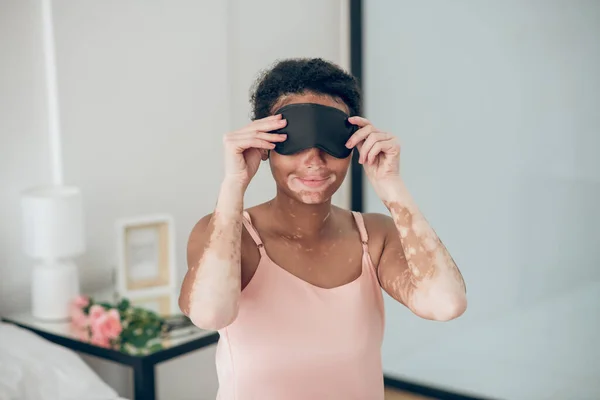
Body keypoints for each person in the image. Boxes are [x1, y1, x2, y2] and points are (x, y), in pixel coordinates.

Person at [179, 58, 467, 400]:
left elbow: (446, 303)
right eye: (293, 140)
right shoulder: (228, 235)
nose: (314, 160)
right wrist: (234, 183)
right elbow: (211, 313)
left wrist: (391, 186)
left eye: (331, 140)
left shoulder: (374, 237)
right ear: (265, 143)